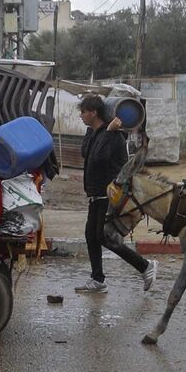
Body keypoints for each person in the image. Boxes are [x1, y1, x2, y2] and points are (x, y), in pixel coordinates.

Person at [74, 95, 157, 294]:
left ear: (93, 113)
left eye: (83, 112)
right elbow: (86, 153)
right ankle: (97, 279)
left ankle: (145, 266)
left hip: (109, 196)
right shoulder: (96, 133)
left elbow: (99, 158)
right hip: (96, 195)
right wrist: (92, 131)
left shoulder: (114, 137)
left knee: (105, 237)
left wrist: (109, 132)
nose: (81, 116)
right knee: (91, 236)